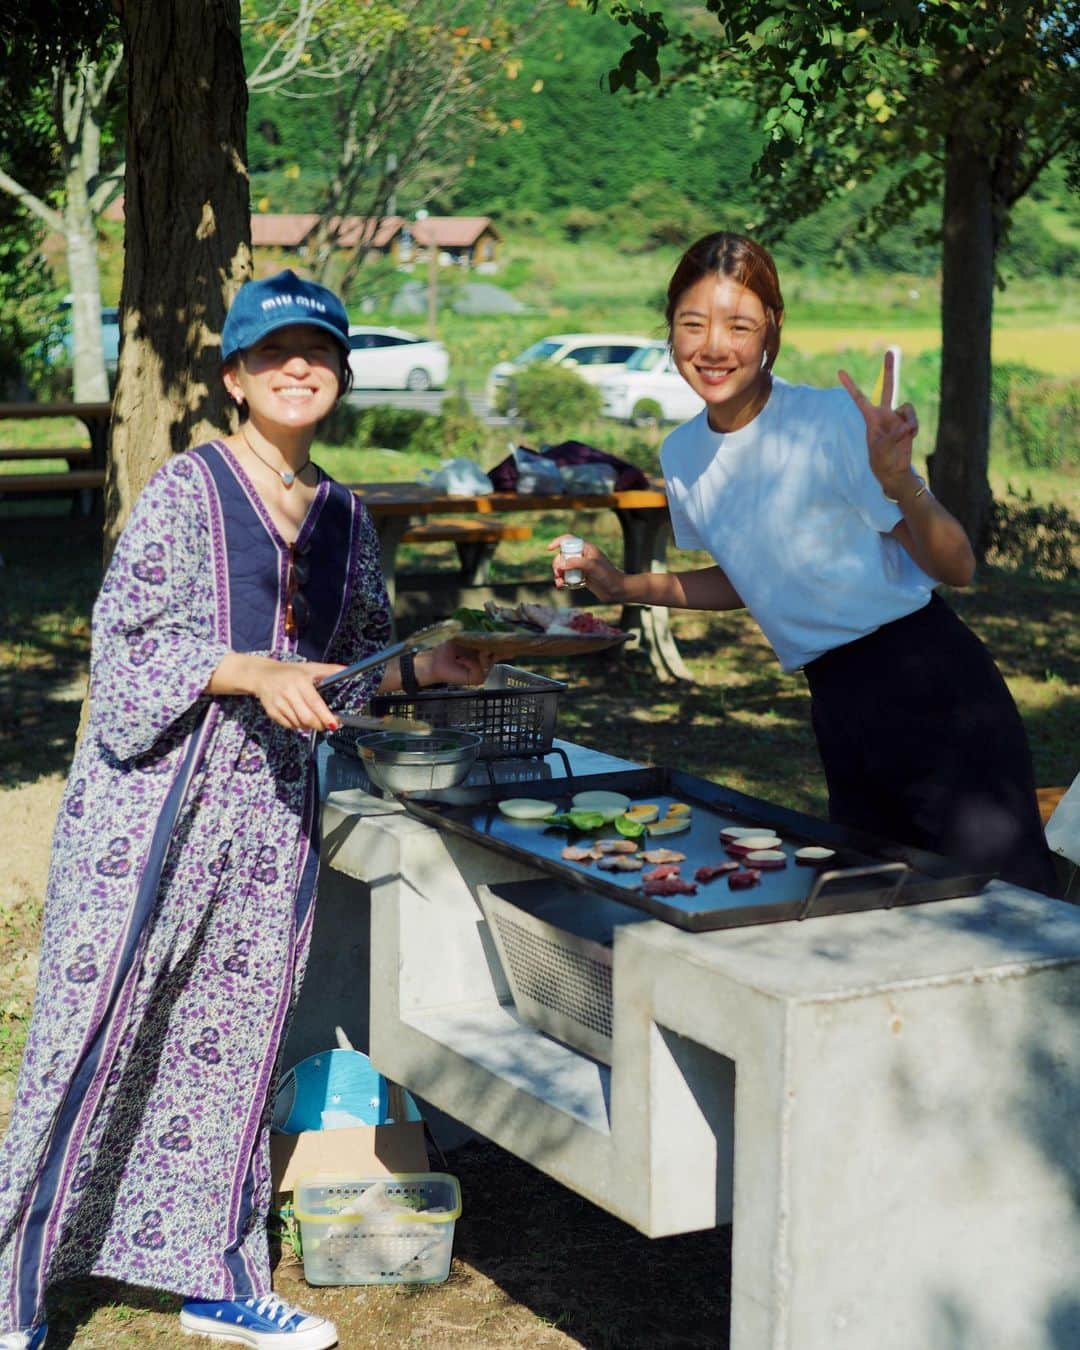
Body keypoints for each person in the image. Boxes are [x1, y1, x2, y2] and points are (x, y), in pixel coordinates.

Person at [0, 270, 490, 1350]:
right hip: (152, 814)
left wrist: (426, 670)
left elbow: (346, 674)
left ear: (343, 376)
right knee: (92, 1033)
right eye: (274, 354)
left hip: (270, 827)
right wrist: (247, 669)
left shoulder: (351, 520)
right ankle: (16, 1292)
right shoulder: (185, 492)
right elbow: (122, 651)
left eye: (319, 351)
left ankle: (214, 1279)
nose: (298, 368)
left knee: (229, 1047)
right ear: (235, 376)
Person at [550, 232, 1057, 897]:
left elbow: (955, 566)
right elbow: (750, 575)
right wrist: (623, 585)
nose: (714, 346)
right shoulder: (683, 456)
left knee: (1009, 908)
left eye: (740, 325)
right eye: (693, 323)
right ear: (670, 329)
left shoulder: (830, 422)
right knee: (880, 906)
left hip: (932, 685)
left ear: (771, 333)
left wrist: (902, 480)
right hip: (838, 704)